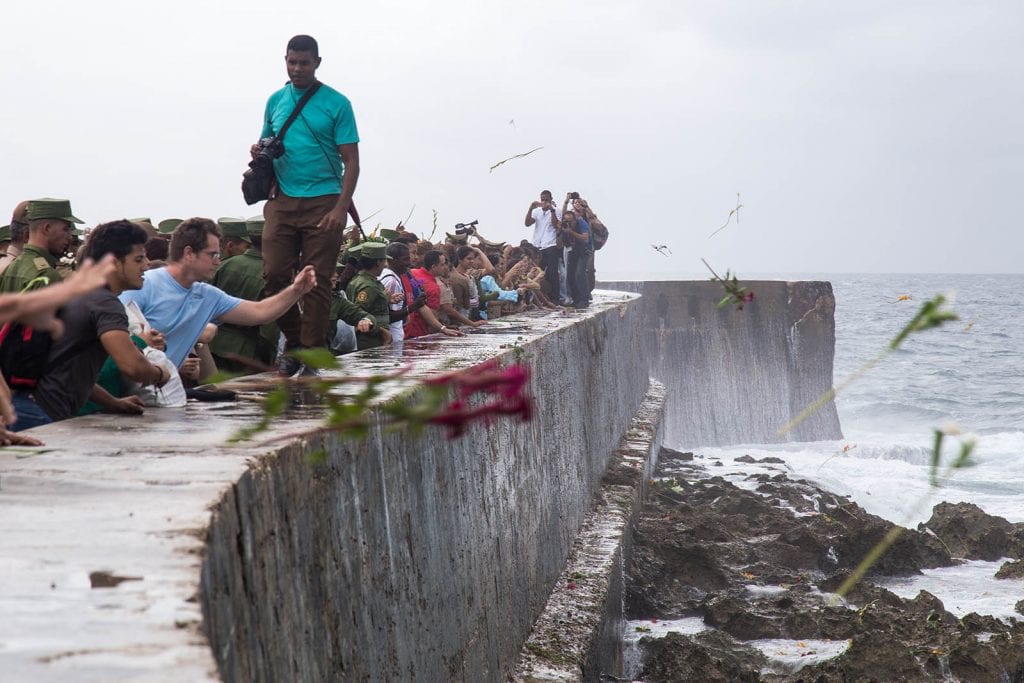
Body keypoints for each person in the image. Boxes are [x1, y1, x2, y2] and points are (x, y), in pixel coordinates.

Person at [255, 34, 360, 376]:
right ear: (285, 60)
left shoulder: (337, 103)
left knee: (317, 279)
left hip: (324, 200)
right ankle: (298, 343)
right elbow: (265, 141)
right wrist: (257, 151)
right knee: (274, 275)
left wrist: (340, 208)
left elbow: (352, 161)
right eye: (291, 62)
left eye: (303, 62)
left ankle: (312, 352)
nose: (297, 68)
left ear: (317, 63)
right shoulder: (275, 100)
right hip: (282, 199)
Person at [7, 220, 169, 431]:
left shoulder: (83, 294)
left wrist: (113, 402)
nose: (146, 265)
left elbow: (71, 370)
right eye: (138, 259)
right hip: (37, 415)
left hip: (24, 407)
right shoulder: (106, 303)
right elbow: (131, 365)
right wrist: (159, 373)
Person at [119, 217, 316, 371]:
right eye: (212, 254)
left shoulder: (208, 296)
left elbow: (260, 312)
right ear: (189, 253)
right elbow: (121, 336)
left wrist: (296, 290)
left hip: (159, 389)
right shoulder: (145, 285)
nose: (217, 261)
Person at [209, 216, 277, 373]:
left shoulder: (225, 265)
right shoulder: (274, 274)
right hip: (248, 354)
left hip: (213, 343)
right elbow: (270, 330)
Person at [0, 198, 82, 293]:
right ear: (47, 228)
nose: (70, 237)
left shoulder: (12, 267)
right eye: (65, 229)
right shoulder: (47, 276)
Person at [345, 242, 393, 351]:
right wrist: (382, 332)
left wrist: (386, 299)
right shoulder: (369, 285)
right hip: (371, 340)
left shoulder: (359, 279)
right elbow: (359, 314)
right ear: (377, 262)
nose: (385, 264)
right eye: (384, 260)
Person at [408, 251, 465, 338]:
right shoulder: (433, 288)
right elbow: (432, 315)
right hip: (419, 332)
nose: (445, 267)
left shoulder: (413, 272)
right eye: (442, 265)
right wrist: (443, 328)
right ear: (433, 267)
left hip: (406, 327)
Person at [523, 190, 562, 302]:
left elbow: (556, 225)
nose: (544, 202)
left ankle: (555, 298)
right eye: (542, 200)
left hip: (550, 244)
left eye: (546, 200)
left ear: (550, 200)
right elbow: (527, 223)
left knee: (552, 272)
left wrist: (552, 210)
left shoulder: (557, 211)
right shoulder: (537, 211)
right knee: (536, 271)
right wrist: (531, 208)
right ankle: (539, 297)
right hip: (537, 245)